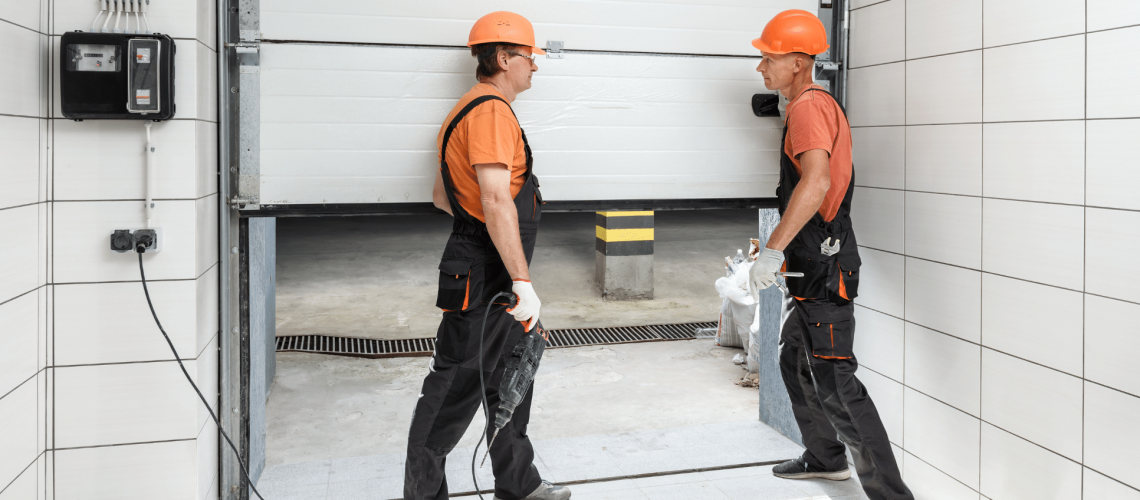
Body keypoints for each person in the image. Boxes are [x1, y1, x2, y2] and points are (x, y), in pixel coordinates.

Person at [403, 11, 570, 500]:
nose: (534, 66)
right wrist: (521, 280)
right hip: (485, 270)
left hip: (487, 263)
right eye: (529, 57)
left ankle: (518, 484)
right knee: (454, 386)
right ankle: (423, 494)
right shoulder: (492, 111)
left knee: (511, 378)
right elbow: (496, 199)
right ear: (502, 57)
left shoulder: (470, 109)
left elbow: (442, 194)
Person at [747, 9, 914, 500]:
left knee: (838, 385)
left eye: (769, 58)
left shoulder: (808, 109)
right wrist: (777, 245)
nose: (761, 68)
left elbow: (817, 182)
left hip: (825, 269)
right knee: (794, 358)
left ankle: (890, 495)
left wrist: (773, 250)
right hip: (814, 265)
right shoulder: (807, 105)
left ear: (799, 62)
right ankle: (825, 458)